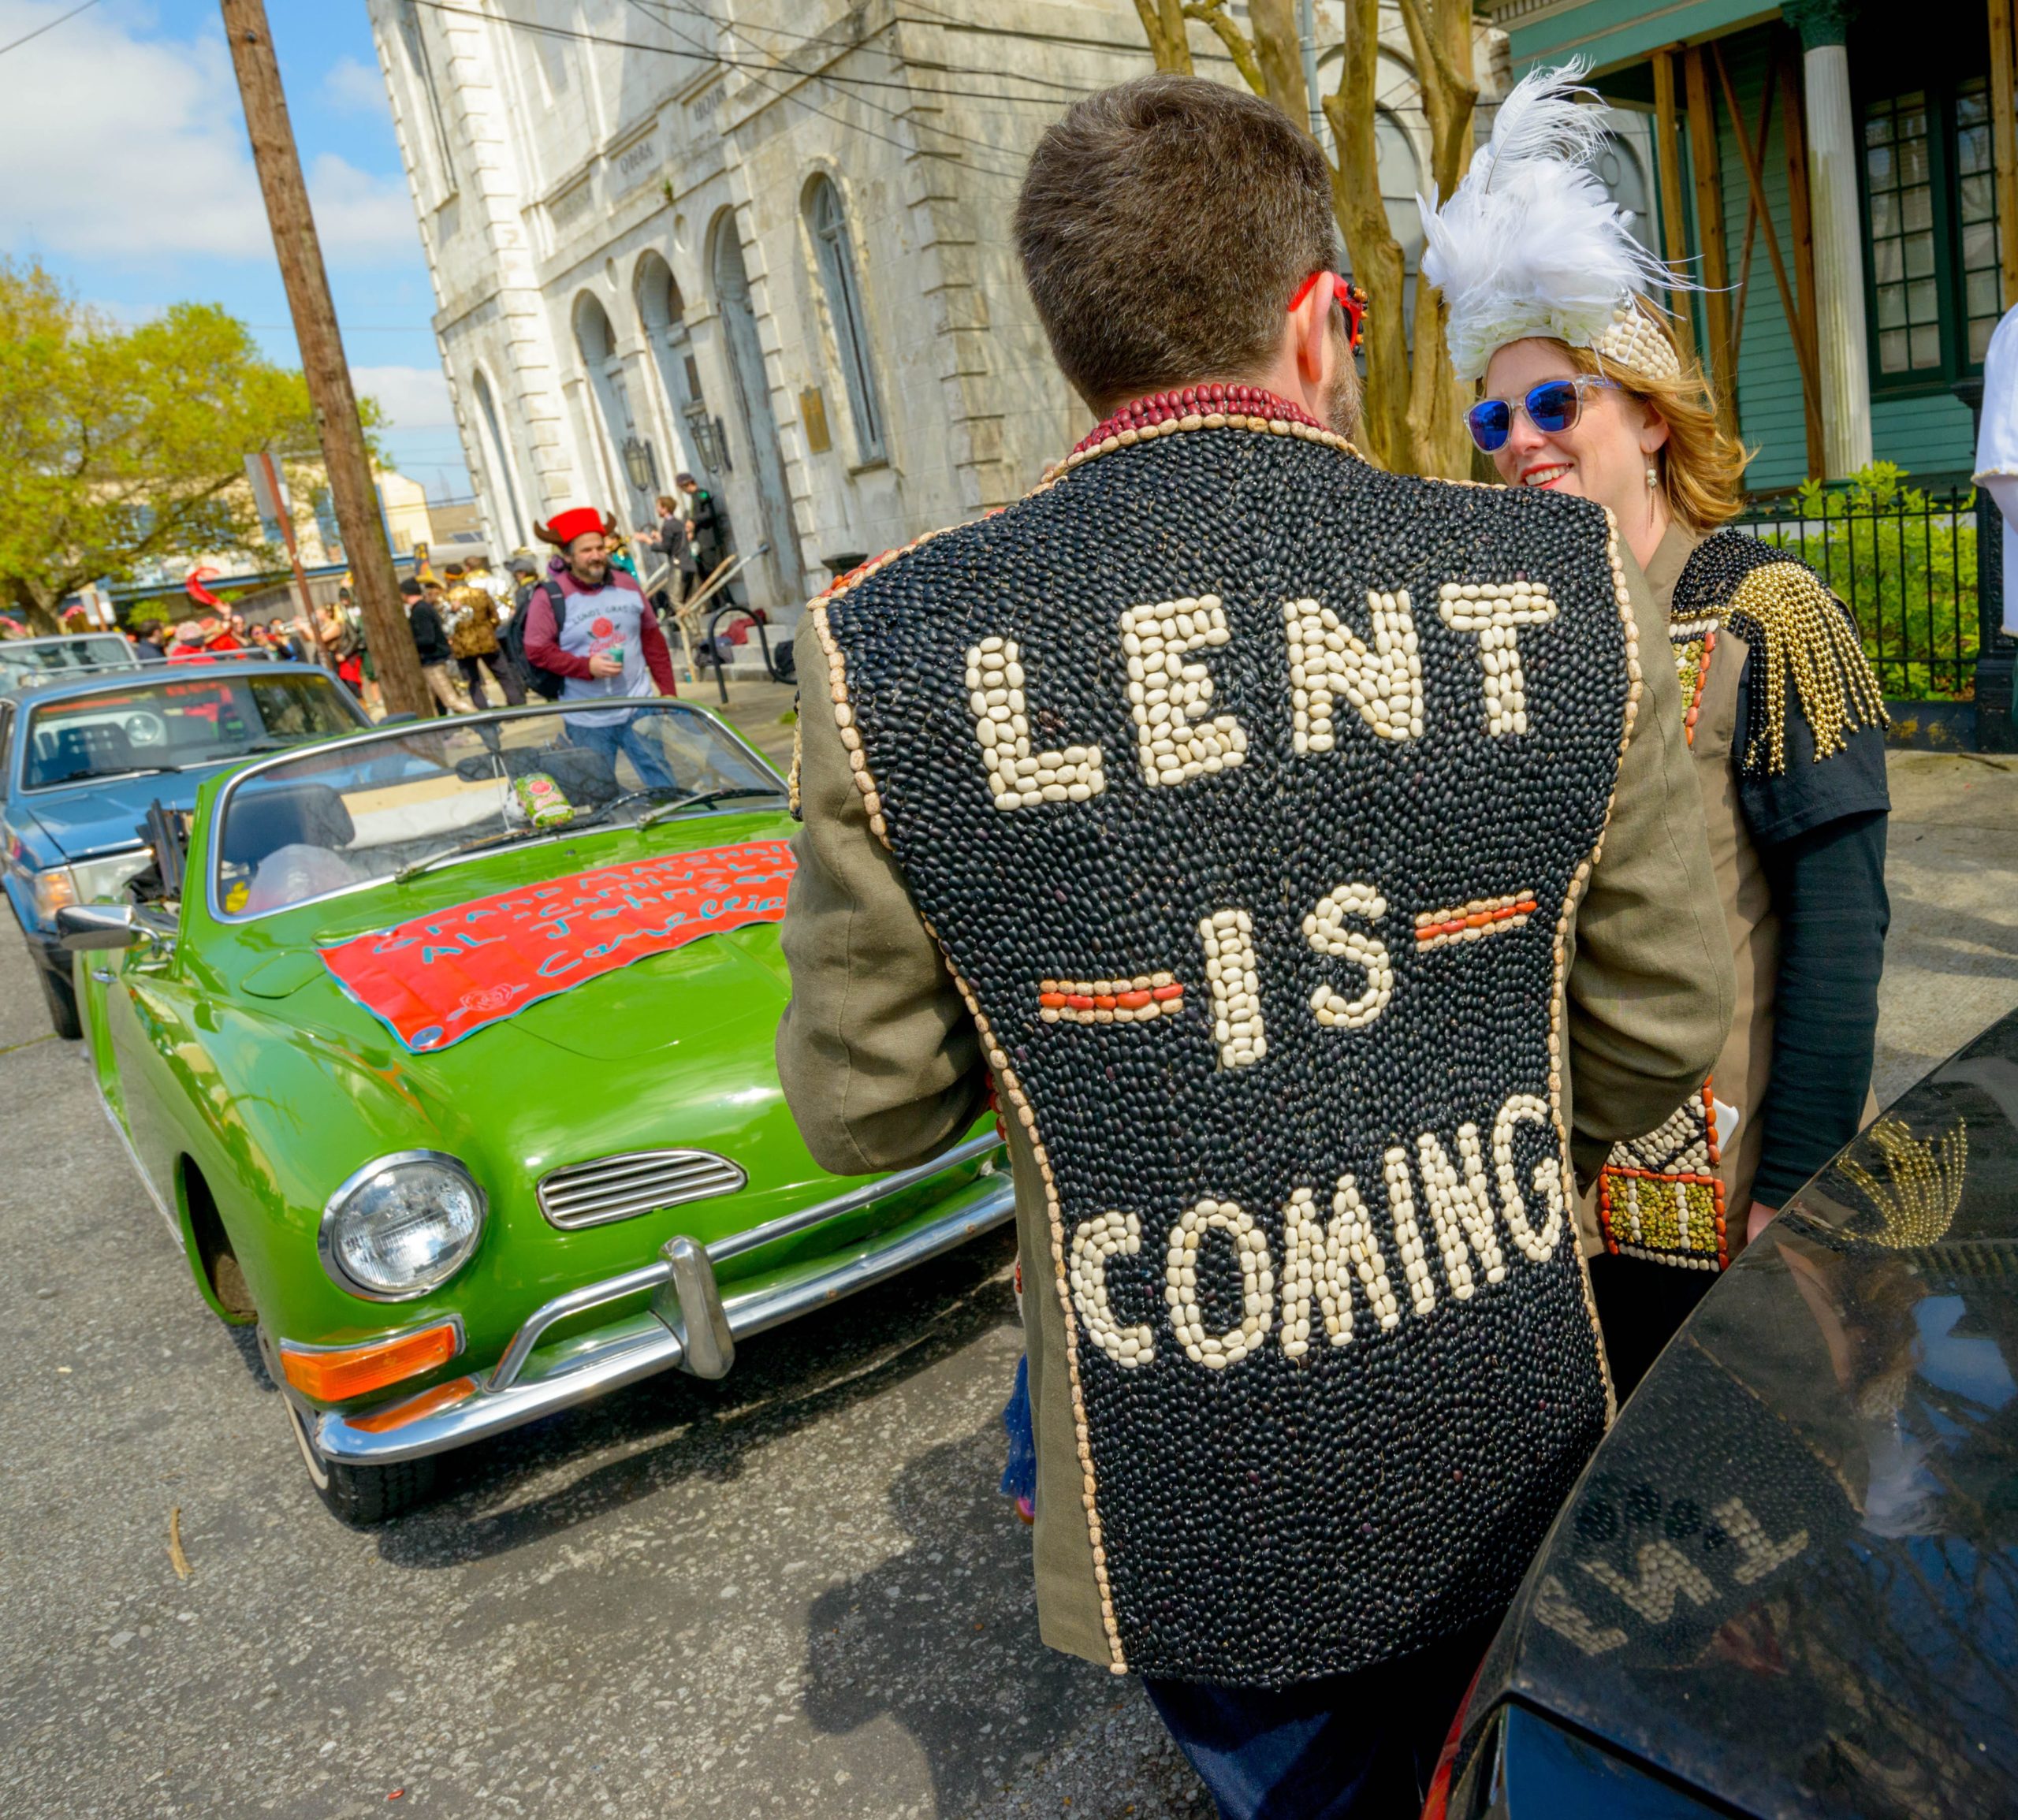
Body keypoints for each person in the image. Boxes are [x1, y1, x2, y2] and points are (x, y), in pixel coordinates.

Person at [774, 73, 1733, 1820]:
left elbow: (867, 1109)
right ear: (1316, 323)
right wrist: (1484, 1130)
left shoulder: (890, 647)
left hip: (1176, 1465)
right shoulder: (1554, 575)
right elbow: (1667, 1002)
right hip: (1500, 1391)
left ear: (1076, 346)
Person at [1424, 63, 1892, 1398]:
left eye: (1555, 403)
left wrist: (1793, 1200)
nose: (1520, 439)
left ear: (1646, 412)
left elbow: (1841, 932)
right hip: (1552, 1224)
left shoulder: (1771, 612)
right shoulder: (1512, 637)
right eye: (1495, 415)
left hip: (1725, 1221)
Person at [522, 506, 679, 784]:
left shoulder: (627, 584)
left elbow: (652, 640)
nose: (596, 555)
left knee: (664, 783)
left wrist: (667, 691)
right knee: (597, 793)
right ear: (567, 556)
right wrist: (585, 667)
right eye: (586, 550)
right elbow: (536, 650)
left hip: (639, 707)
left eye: (599, 548)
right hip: (586, 718)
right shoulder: (550, 597)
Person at [443, 560, 525, 709]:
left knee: (473, 680)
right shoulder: (480, 593)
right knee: (502, 673)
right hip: (486, 638)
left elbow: (445, 623)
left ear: (448, 579)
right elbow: (494, 616)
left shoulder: (447, 598)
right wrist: (488, 628)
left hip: (463, 644)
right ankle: (517, 703)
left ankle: (483, 708)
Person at [406, 577, 466, 715]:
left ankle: (486, 725)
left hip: (433, 661)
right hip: (434, 658)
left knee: (451, 700)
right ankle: (447, 733)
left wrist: (410, 644)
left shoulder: (421, 610)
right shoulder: (424, 607)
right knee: (438, 702)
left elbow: (428, 638)